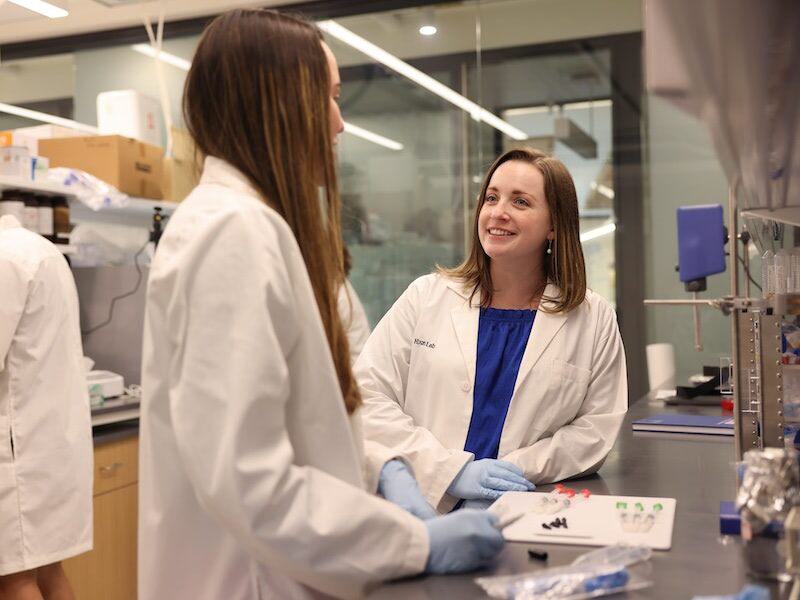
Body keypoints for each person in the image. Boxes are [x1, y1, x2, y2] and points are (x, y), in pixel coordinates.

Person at [137, 9, 503, 600]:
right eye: (328, 98)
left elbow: (312, 421)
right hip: (249, 580)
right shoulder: (231, 232)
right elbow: (250, 481)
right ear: (276, 101)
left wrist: (380, 465)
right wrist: (415, 544)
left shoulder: (269, 229)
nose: (338, 123)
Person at [357, 147, 628, 514]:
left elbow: (595, 429)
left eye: (520, 202)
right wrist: (449, 471)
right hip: (419, 505)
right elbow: (368, 396)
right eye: (491, 197)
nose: (498, 213)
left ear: (553, 226)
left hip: (523, 507)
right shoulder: (426, 297)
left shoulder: (592, 318)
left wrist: (516, 469)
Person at [0, 214, 93, 600]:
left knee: (12, 580)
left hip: (19, 452)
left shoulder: (5, 258)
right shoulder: (38, 248)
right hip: (48, 445)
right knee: (48, 570)